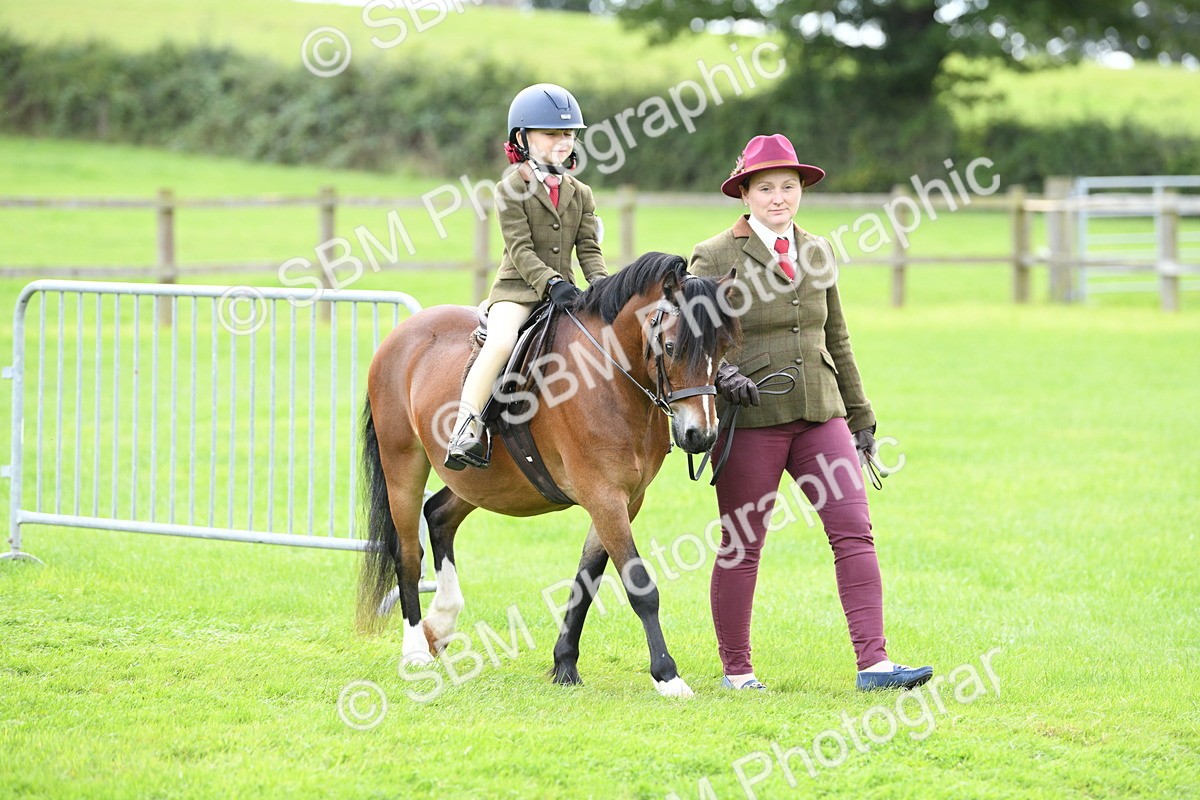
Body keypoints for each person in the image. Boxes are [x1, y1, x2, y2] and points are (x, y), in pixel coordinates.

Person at [689, 134, 932, 691]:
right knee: (743, 545)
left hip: (821, 413)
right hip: (750, 420)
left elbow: (837, 336)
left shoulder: (818, 250)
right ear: (745, 193)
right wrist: (725, 377)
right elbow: (698, 340)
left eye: (789, 187)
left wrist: (861, 416)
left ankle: (874, 664)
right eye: (767, 188)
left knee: (854, 530)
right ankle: (738, 671)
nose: (779, 198)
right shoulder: (714, 255)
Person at [445, 83, 608, 470]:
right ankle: (465, 427)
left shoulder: (581, 192)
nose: (562, 141)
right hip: (518, 292)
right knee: (501, 343)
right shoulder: (510, 188)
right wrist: (550, 283)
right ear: (522, 137)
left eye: (568, 134)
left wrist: (602, 285)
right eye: (551, 133)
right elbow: (519, 250)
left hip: (567, 293)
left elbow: (588, 248)